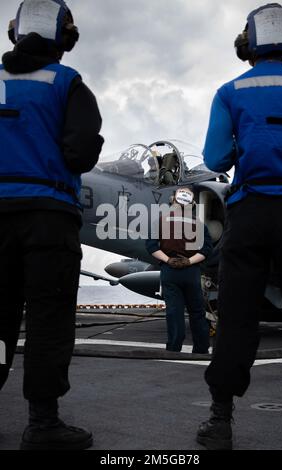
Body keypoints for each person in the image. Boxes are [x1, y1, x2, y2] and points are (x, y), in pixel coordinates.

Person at [0, 0, 104, 450]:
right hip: (49, 218)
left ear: (14, 34)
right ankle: (42, 424)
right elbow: (81, 153)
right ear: (67, 38)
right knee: (48, 321)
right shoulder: (68, 83)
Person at [197, 3, 282, 451]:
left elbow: (216, 159)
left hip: (250, 212)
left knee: (237, 318)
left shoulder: (230, 90)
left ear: (249, 43)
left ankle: (220, 419)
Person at [146, 188, 213, 353]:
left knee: (174, 312)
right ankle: (201, 349)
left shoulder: (160, 222)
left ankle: (174, 348)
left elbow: (151, 246)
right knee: (197, 312)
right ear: (192, 204)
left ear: (172, 200)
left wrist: (169, 260)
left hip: (170, 271)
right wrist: (188, 261)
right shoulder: (199, 225)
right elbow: (206, 250)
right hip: (191, 272)